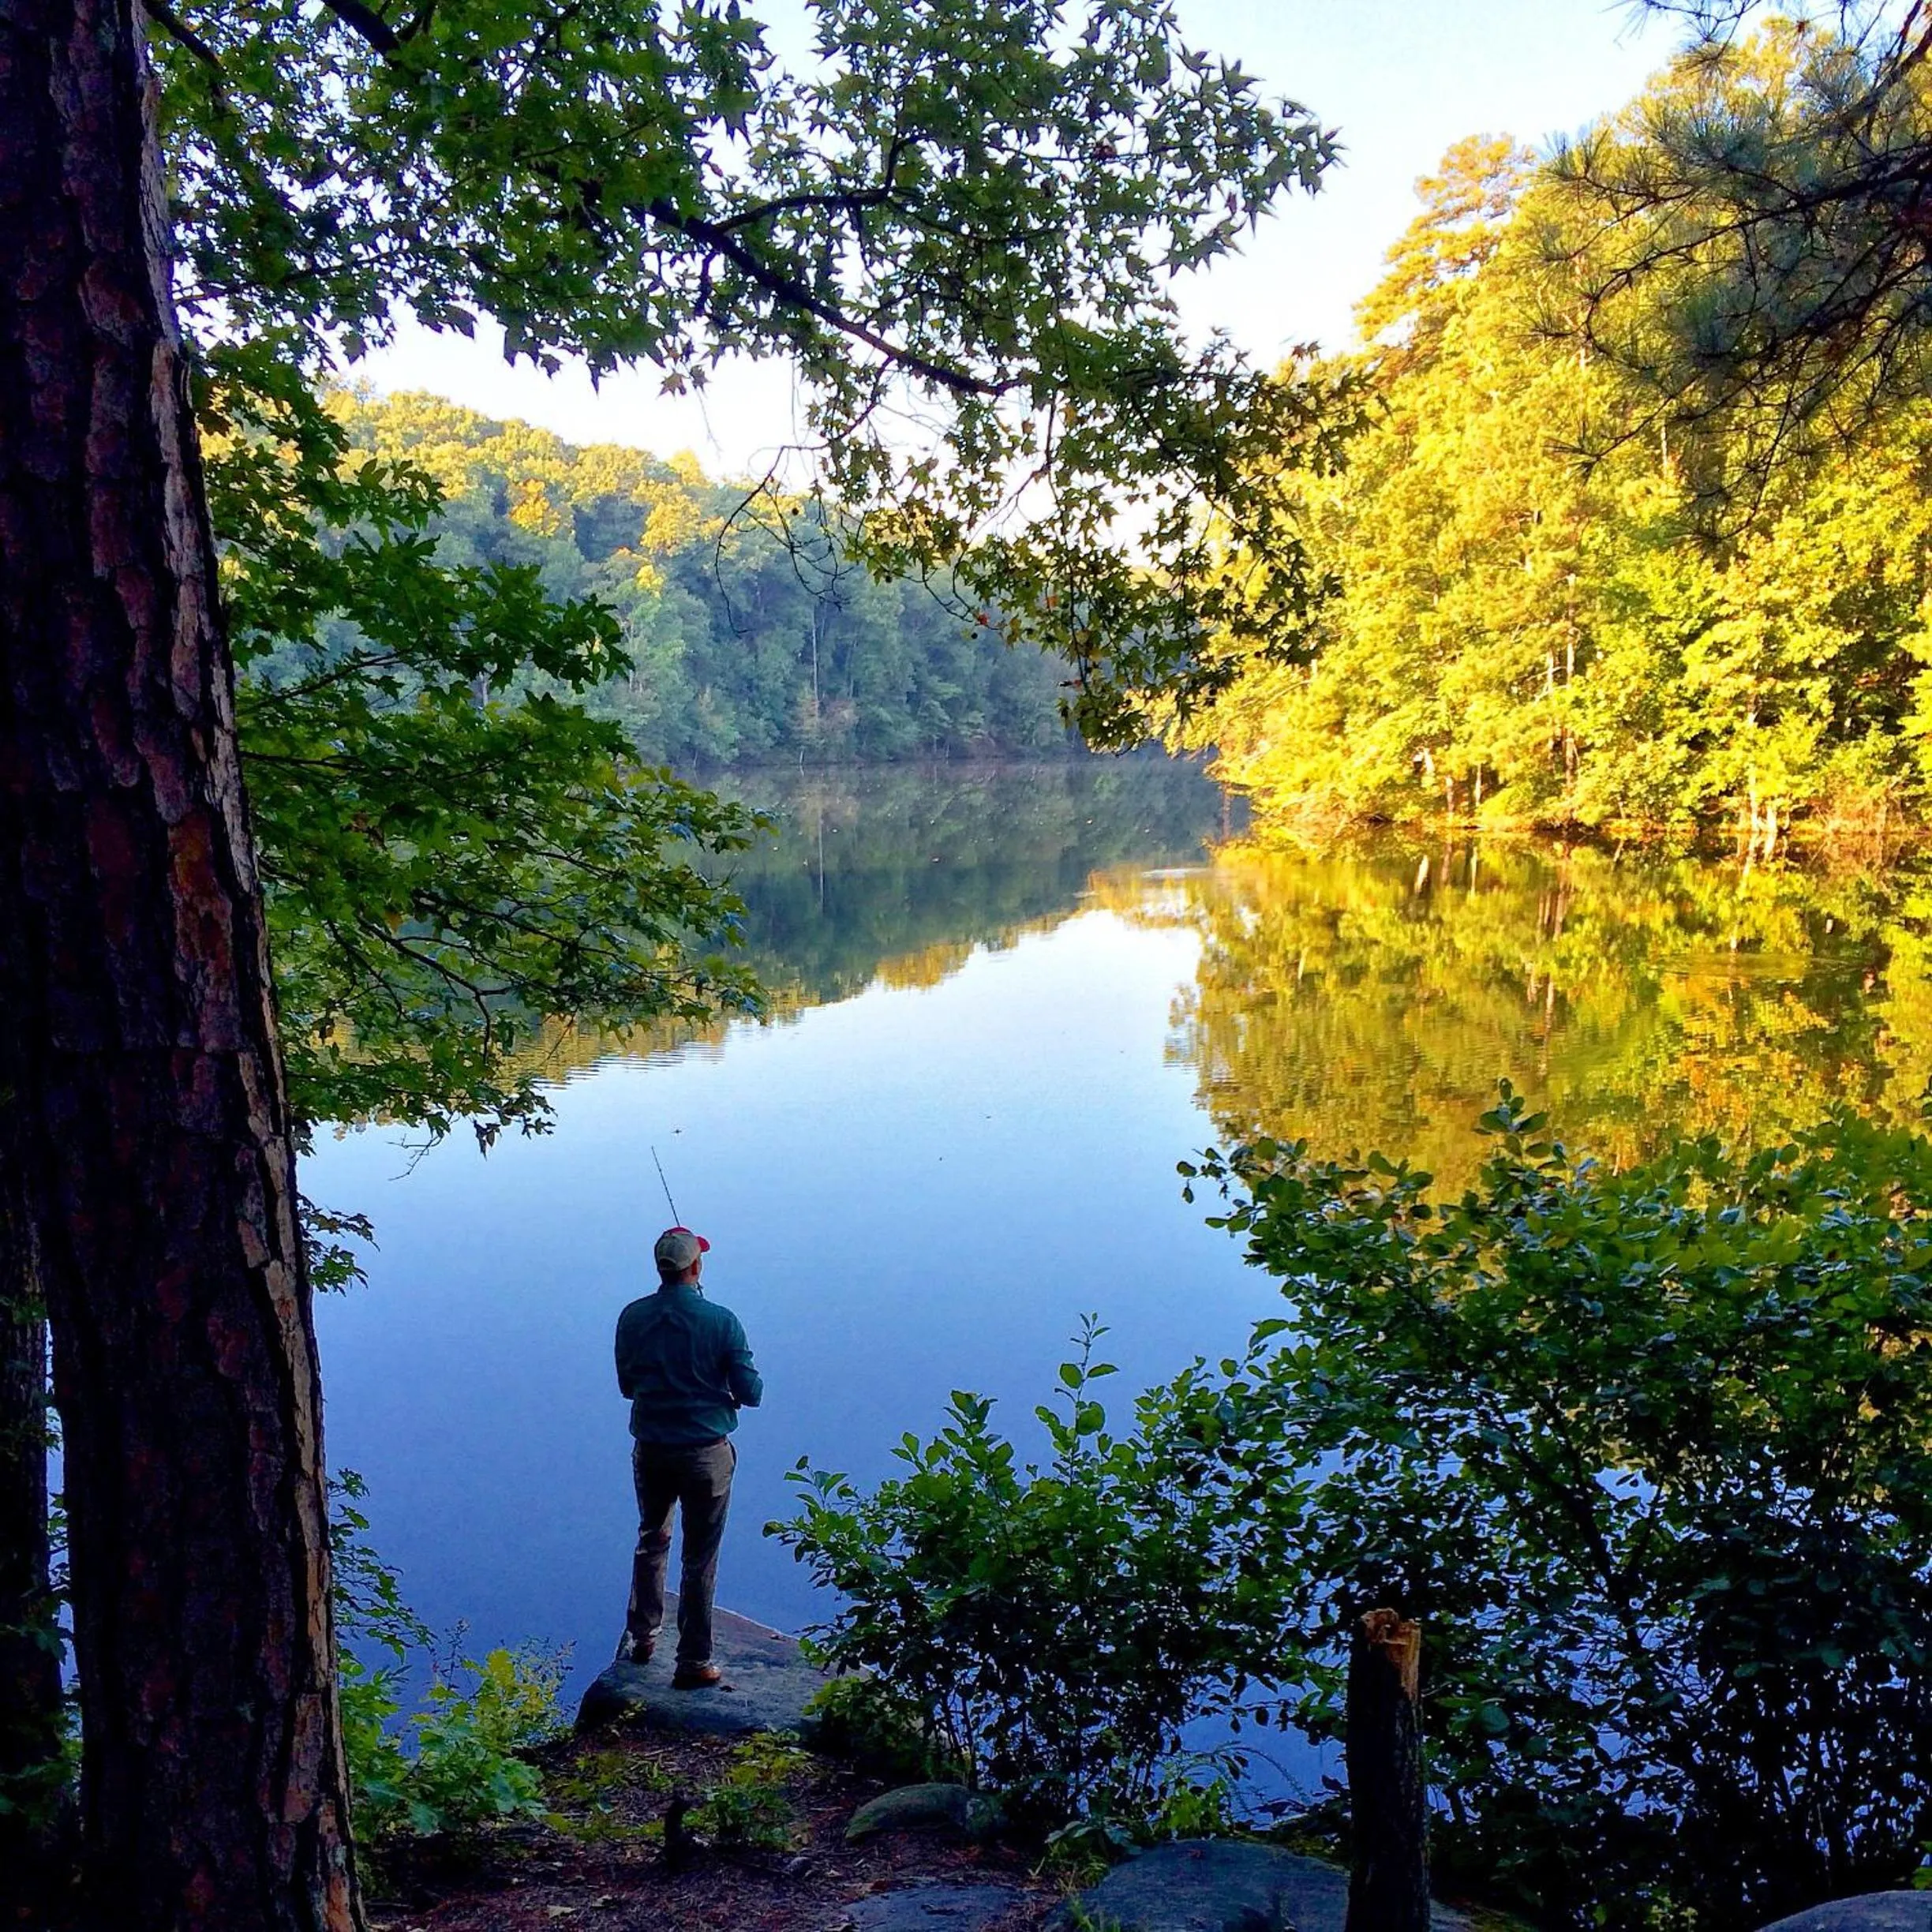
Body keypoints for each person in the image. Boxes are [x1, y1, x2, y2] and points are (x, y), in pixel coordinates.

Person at [613, 1225, 763, 1688]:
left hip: (653, 1450)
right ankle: (694, 1661)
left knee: (651, 1539)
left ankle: (643, 1638)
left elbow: (626, 1387)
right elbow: (751, 1392)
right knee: (700, 1558)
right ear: (695, 1266)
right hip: (705, 1455)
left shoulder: (632, 1317)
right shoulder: (722, 1321)